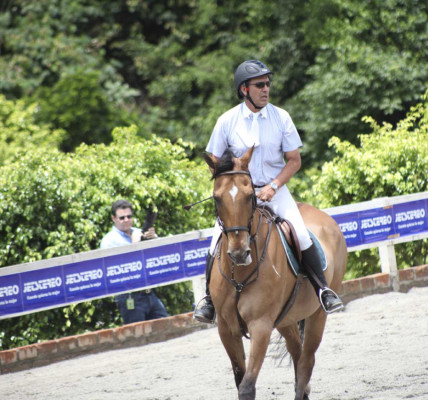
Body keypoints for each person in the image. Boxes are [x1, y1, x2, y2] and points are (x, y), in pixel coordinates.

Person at [193, 60, 343, 323]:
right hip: (241, 196)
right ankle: (209, 300)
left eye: (267, 84)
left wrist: (273, 186)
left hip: (276, 189)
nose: (266, 89)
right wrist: (232, 187)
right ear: (244, 89)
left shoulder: (281, 117)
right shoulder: (226, 121)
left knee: (300, 233)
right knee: (216, 240)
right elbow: (214, 162)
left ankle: (323, 290)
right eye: (259, 85)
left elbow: (294, 160)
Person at [101, 199, 168, 324]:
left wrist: (154, 239)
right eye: (122, 217)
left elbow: (158, 255)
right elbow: (117, 269)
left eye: (129, 216)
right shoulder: (109, 241)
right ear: (114, 219)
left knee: (166, 325)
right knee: (138, 336)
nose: (126, 220)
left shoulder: (138, 232)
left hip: (149, 293)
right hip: (128, 296)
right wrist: (135, 244)